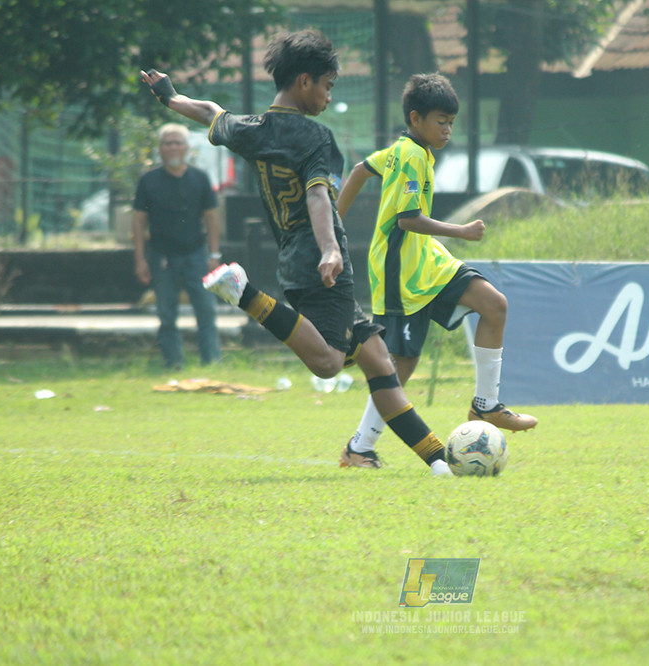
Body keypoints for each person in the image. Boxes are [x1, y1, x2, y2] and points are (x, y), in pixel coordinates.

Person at [139, 29, 452, 474]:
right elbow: (318, 196)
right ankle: (244, 292)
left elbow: (211, 112)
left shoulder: (253, 128)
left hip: (292, 258)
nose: (328, 96)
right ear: (305, 82)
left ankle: (435, 462)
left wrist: (170, 97)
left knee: (377, 358)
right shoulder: (316, 138)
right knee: (327, 362)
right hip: (320, 261)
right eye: (327, 86)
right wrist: (329, 249)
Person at [334, 73, 537, 468]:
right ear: (416, 118)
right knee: (399, 366)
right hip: (400, 272)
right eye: (440, 121)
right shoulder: (409, 155)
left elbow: (360, 169)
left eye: (451, 122)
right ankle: (359, 448)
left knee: (493, 305)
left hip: (429, 262)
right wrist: (460, 230)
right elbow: (408, 219)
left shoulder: (406, 150)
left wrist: (334, 226)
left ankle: (486, 407)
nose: (447, 129)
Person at [132, 123, 222, 369]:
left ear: (186, 147)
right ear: (160, 149)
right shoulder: (148, 181)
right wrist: (140, 259)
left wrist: (214, 254)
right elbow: (139, 222)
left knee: (206, 312)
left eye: (177, 143)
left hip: (197, 255)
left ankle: (212, 362)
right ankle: (173, 363)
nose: (173, 147)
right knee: (166, 314)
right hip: (162, 258)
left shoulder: (200, 178)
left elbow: (212, 217)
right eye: (167, 143)